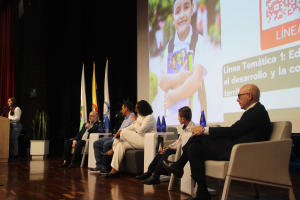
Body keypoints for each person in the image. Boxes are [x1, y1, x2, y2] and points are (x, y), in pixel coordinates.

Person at [163, 84, 272, 200]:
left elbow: (233, 131)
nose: (237, 99)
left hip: (240, 152)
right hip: (234, 148)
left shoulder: (256, 112)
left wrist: (204, 130)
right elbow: (236, 131)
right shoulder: (255, 111)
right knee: (193, 148)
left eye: (239, 96)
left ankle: (178, 165)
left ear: (249, 96)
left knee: (198, 136)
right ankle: (202, 191)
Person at [159, 0, 207, 122]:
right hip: (171, 117)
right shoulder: (169, 46)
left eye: (186, 8)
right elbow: (162, 81)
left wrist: (172, 96)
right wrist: (178, 77)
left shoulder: (198, 41)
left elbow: (195, 81)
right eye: (178, 11)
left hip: (193, 117)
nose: (182, 15)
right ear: (173, 18)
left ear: (192, 9)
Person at [136, 106, 195, 185]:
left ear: (183, 118)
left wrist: (170, 148)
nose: (178, 119)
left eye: (179, 117)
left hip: (184, 151)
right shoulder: (185, 127)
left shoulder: (192, 128)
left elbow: (184, 144)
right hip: (179, 148)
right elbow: (178, 141)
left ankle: (156, 176)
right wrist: (169, 146)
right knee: (162, 150)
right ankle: (150, 172)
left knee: (166, 151)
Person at [103, 100, 156, 178]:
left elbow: (140, 131)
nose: (136, 111)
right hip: (140, 140)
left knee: (123, 132)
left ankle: (112, 149)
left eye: (137, 109)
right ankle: (114, 171)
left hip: (147, 142)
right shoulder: (141, 117)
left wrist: (134, 120)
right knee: (121, 145)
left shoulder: (150, 117)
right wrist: (120, 131)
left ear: (142, 109)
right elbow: (132, 127)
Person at [89, 101, 135, 174]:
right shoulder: (126, 119)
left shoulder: (133, 118)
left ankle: (105, 168)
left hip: (121, 139)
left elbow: (133, 132)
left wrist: (119, 135)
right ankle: (99, 166)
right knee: (96, 143)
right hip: (115, 138)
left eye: (122, 108)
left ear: (126, 108)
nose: (121, 110)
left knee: (106, 144)